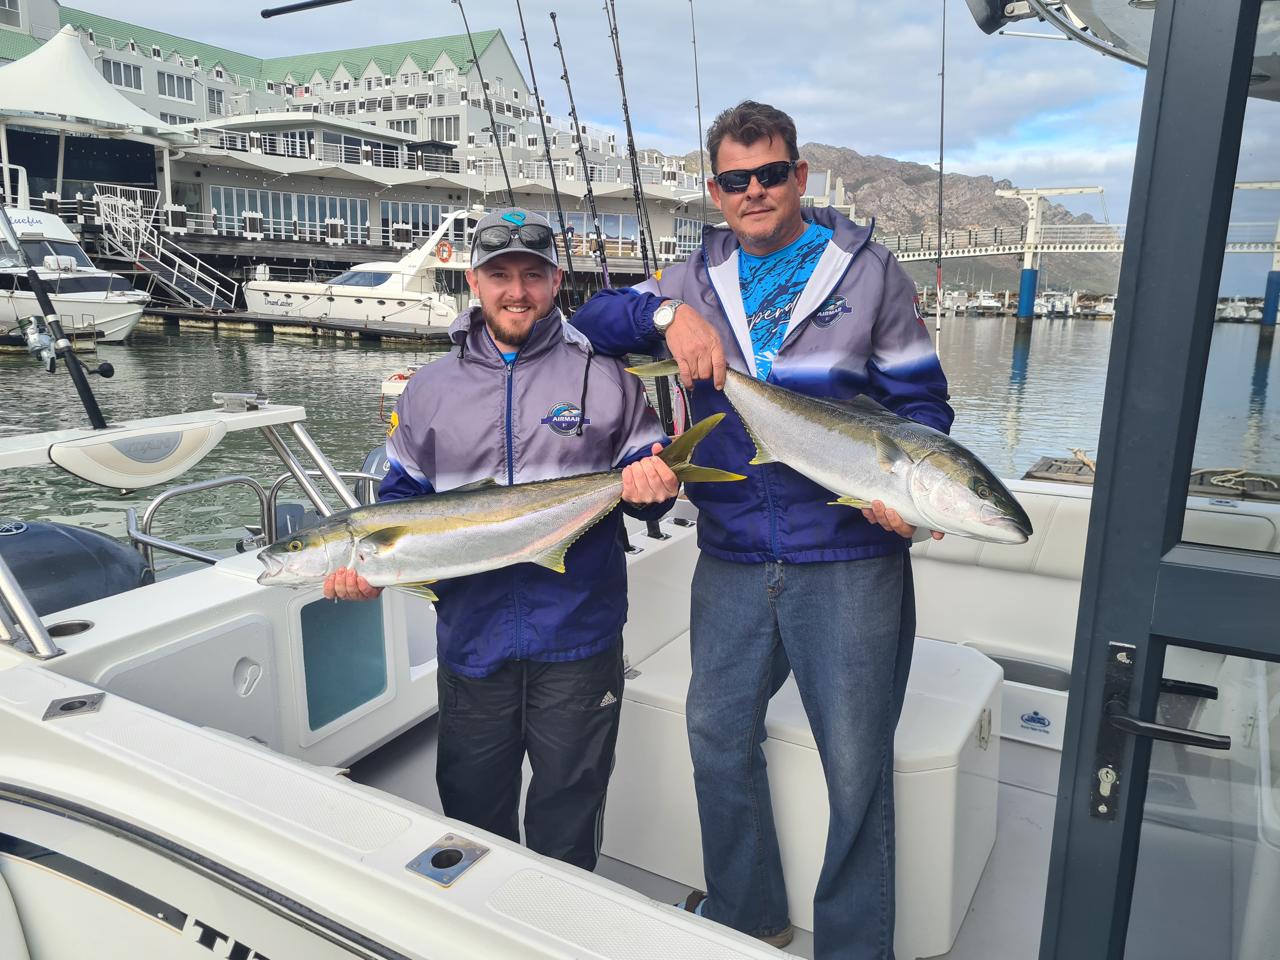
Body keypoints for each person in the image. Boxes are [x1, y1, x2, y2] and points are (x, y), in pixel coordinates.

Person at [570, 102, 953, 958]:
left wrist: (911, 494)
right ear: (715, 191)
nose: (754, 192)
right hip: (735, 554)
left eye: (771, 174)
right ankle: (749, 915)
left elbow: (923, 403)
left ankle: (855, 947)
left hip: (850, 557)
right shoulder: (691, 281)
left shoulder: (868, 273)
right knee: (715, 734)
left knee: (856, 766)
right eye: (736, 180)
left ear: (799, 177)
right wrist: (668, 320)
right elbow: (587, 325)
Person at [326, 208, 679, 872]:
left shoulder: (603, 377)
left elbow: (644, 471)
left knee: (568, 811)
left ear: (555, 282)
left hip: (579, 636)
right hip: (472, 636)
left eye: (532, 275)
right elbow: (400, 498)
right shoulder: (429, 389)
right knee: (469, 807)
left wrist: (657, 480)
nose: (517, 291)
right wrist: (369, 564)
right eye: (501, 276)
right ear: (474, 282)